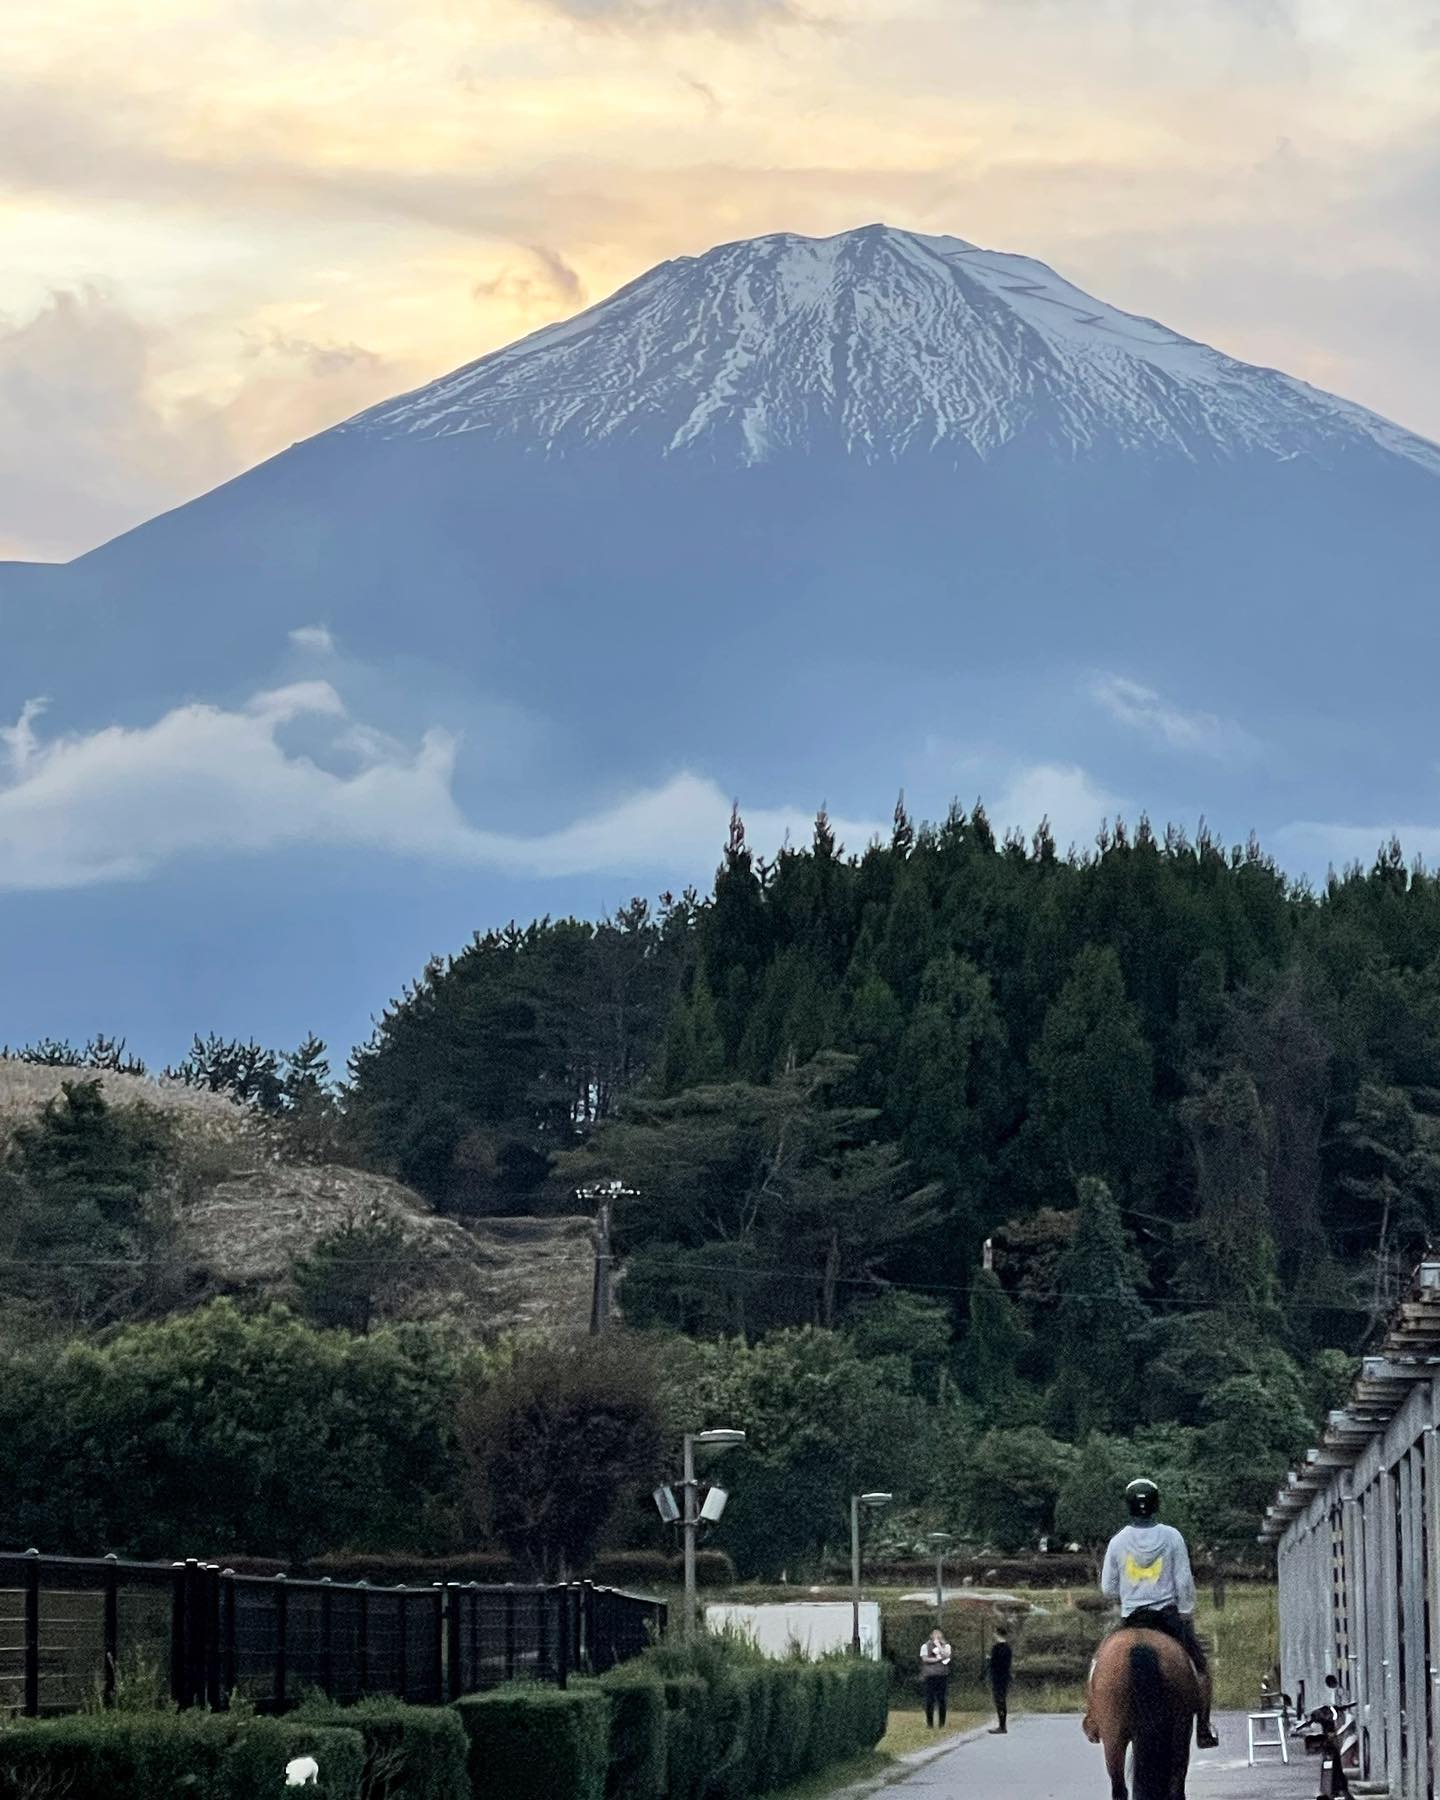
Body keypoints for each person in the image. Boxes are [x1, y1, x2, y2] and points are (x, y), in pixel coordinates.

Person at [1088, 1477, 1219, 1750]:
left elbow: (1108, 1587)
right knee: (1200, 1668)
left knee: (1098, 1663)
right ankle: (1204, 1727)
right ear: (1157, 1504)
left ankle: (1093, 1718)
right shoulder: (1172, 1537)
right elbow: (1183, 1581)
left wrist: (1128, 1593)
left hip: (1132, 1617)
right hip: (1167, 1617)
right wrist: (1186, 1611)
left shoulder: (1118, 1540)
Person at [982, 1623, 1012, 1734]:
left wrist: (989, 1659)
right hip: (1005, 1677)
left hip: (997, 1677)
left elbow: (994, 1663)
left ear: (997, 1634)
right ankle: (1003, 1724)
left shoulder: (996, 1648)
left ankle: (1002, 1726)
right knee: (1002, 1700)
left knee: (998, 1701)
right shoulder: (1008, 1648)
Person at [920, 1627, 952, 1727]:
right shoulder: (925, 1646)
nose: (937, 1636)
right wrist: (937, 1660)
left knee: (941, 1699)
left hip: (942, 1675)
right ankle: (930, 1723)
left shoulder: (946, 1646)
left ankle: (941, 1723)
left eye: (939, 1634)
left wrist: (939, 1645)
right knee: (929, 1700)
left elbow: (947, 1658)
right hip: (930, 1675)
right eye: (935, 1634)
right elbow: (925, 1659)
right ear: (931, 1635)